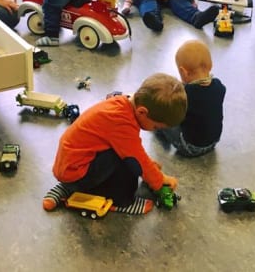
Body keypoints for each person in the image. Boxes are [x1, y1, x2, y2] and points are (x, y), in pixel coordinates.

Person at [42, 73, 187, 215]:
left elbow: (134, 148)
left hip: (71, 166)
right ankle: (121, 202)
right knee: (131, 164)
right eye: (156, 127)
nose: (156, 130)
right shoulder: (121, 123)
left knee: (126, 155)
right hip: (77, 171)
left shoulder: (123, 103)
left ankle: (69, 187)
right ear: (142, 112)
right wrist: (160, 180)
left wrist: (149, 167)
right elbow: (138, 159)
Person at [156, 40, 225, 158]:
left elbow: (174, 114)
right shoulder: (218, 85)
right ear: (211, 65)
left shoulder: (186, 93)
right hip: (213, 142)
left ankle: (158, 129)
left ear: (183, 72)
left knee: (162, 117)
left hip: (190, 147)